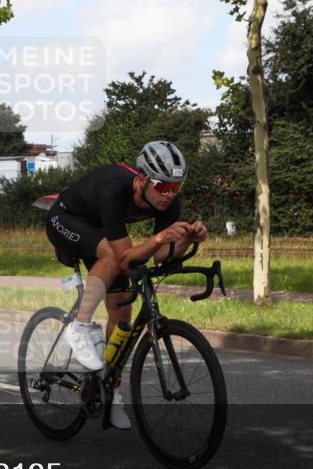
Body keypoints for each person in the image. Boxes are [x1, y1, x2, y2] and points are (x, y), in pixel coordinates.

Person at [45, 141, 208, 429]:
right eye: (163, 186)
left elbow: (158, 257)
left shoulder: (168, 202)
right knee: (111, 252)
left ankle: (109, 392)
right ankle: (79, 327)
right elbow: (124, 258)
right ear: (142, 179)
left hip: (101, 231)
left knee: (122, 315)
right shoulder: (115, 189)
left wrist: (184, 241)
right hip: (66, 219)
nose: (169, 195)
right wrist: (159, 238)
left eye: (176, 188)